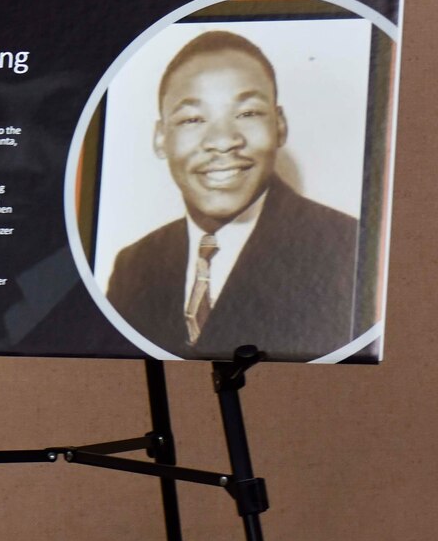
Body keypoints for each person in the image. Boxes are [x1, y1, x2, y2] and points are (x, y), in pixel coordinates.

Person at [105, 28, 365, 360]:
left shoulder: (348, 249)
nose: (224, 140)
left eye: (248, 113)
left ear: (280, 125)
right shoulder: (134, 265)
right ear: (160, 139)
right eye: (193, 118)